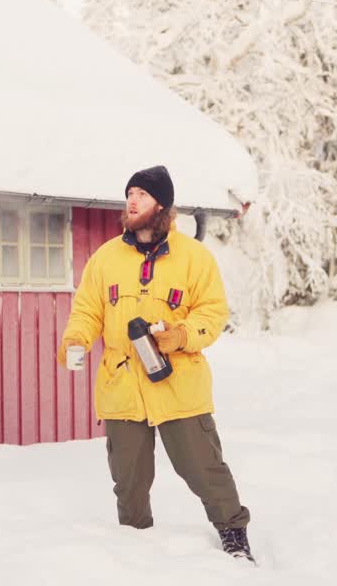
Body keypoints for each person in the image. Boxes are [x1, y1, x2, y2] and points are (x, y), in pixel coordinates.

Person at [57, 165, 254, 562]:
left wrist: (181, 335)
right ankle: (134, 547)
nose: (132, 201)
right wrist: (76, 338)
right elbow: (87, 310)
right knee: (129, 480)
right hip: (122, 385)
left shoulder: (194, 258)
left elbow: (212, 314)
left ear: (162, 205)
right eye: (129, 193)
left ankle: (233, 532)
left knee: (203, 468)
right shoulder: (106, 258)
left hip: (178, 383)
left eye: (142, 195)